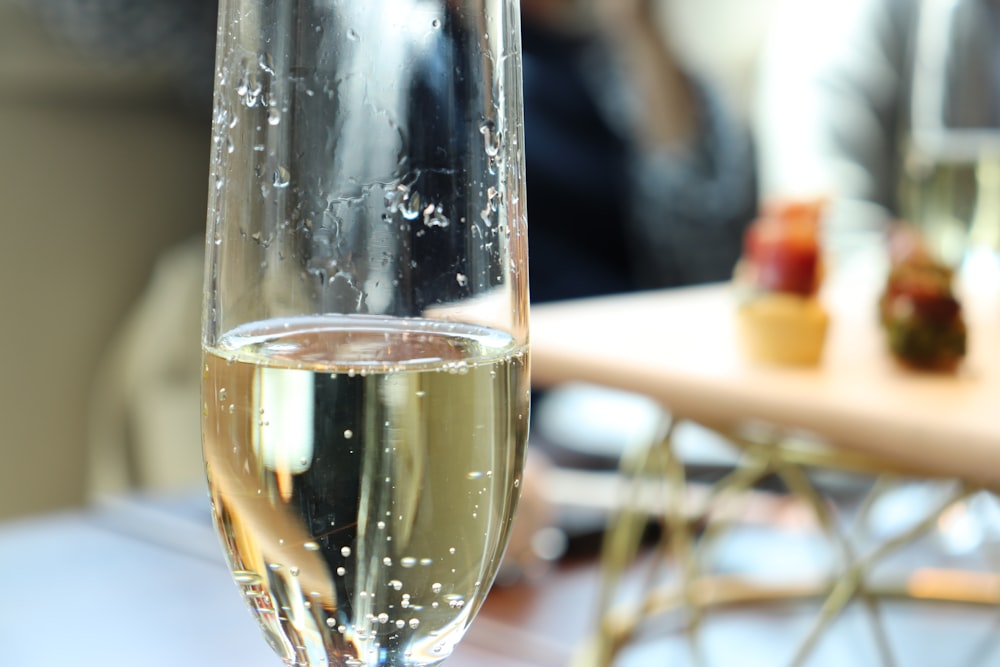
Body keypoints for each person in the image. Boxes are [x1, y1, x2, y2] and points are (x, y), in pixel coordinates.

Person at [519, 0, 758, 301]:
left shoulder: (613, 63)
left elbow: (709, 250)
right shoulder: (461, 65)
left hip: (637, 318)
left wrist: (638, 27)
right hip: (530, 327)